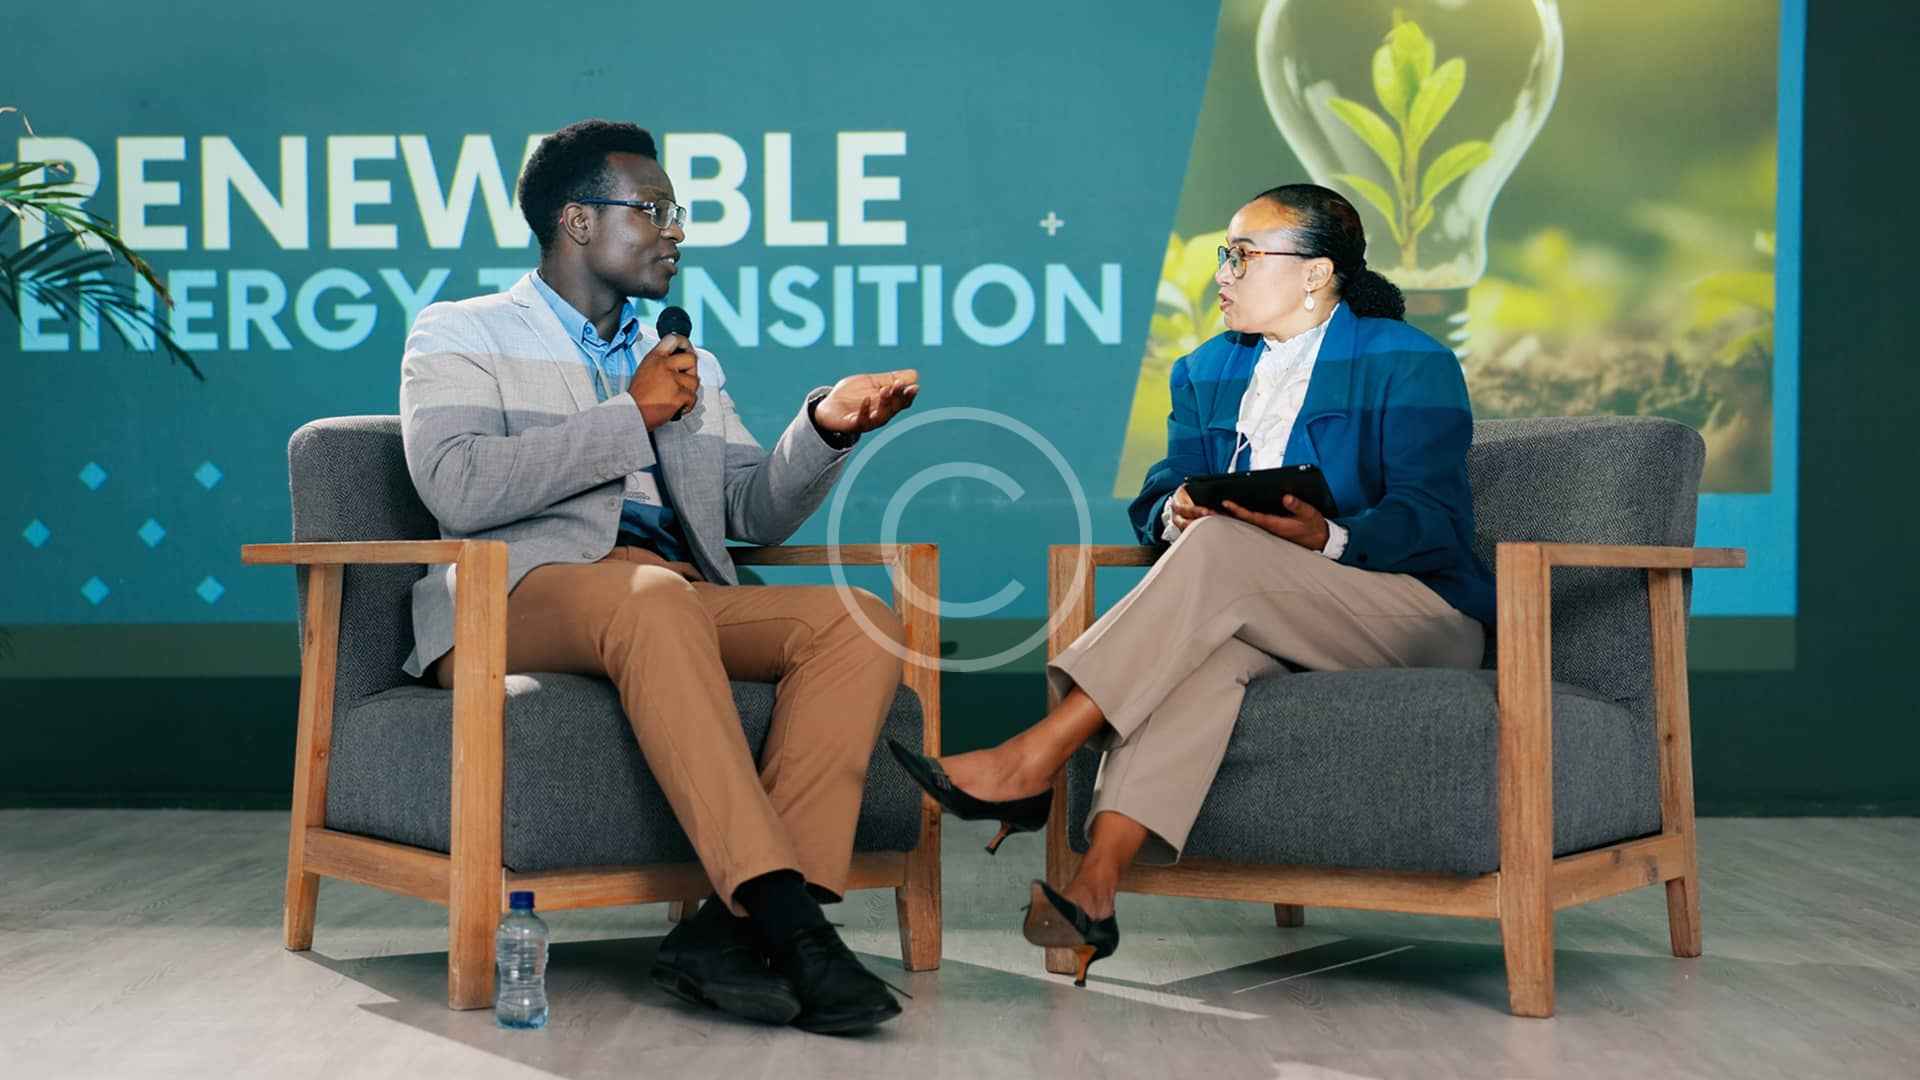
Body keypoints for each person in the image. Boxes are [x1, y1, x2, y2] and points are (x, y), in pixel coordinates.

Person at [891, 183, 1493, 986]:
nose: (1223, 273)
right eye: (1223, 255)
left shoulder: (1409, 361)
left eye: (1243, 256)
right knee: (1205, 654)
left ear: (1316, 274)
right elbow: (1159, 489)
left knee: (1217, 553)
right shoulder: (1206, 369)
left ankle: (1033, 757)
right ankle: (1094, 890)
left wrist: (1328, 535)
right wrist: (1173, 508)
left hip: (1413, 614)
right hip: (1257, 612)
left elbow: (1436, 518)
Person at [399, 119, 920, 1034]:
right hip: (515, 594)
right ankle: (793, 925)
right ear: (577, 221)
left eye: (676, 213)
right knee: (652, 599)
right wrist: (630, 416)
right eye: (653, 210)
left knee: (855, 621)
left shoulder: (686, 362)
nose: (675, 231)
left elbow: (749, 510)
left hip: (667, 594)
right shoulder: (463, 330)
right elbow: (459, 484)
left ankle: (727, 930)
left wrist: (825, 428)